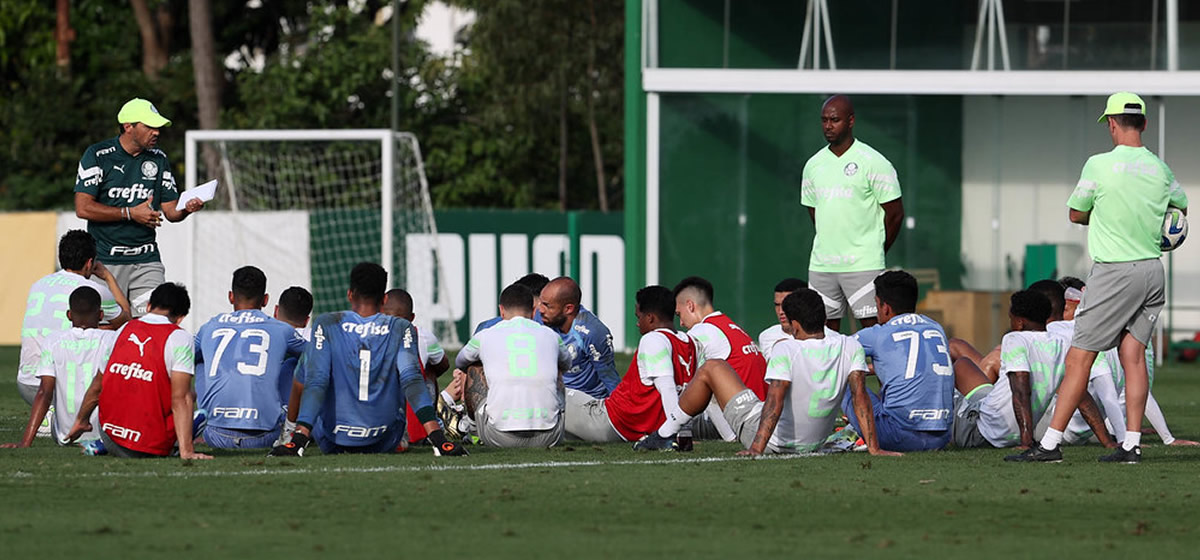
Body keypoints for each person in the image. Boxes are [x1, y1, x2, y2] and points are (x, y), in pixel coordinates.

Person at [1010, 92, 1189, 464]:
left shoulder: (1099, 164)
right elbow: (1180, 207)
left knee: (1079, 358)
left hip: (1114, 271)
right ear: (1144, 123)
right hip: (1153, 271)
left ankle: (1049, 445)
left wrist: (1108, 216)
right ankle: (1131, 445)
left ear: (1111, 124)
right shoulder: (1160, 168)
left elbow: (1076, 213)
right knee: (1133, 355)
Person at [635, 289, 899, 457]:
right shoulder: (850, 345)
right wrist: (874, 448)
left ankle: (665, 433)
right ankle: (671, 434)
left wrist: (756, 448)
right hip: (814, 442)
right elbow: (860, 398)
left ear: (794, 325)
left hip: (774, 441)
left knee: (712, 368)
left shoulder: (786, 348)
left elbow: (775, 399)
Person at [269, 263, 466, 457]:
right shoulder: (401, 327)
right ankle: (417, 435)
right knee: (411, 370)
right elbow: (412, 380)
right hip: (384, 440)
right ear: (385, 298)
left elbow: (317, 380)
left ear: (349, 294)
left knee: (306, 366)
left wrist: (299, 439)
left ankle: (289, 433)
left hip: (332, 441)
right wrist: (439, 439)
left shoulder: (327, 323)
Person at [73, 98, 205, 316]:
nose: (156, 132)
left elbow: (171, 212)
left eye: (157, 127)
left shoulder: (159, 158)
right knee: (108, 328)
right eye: (149, 126)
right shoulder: (97, 155)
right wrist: (129, 213)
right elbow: (83, 208)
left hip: (146, 260)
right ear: (128, 127)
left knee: (156, 322)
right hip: (105, 262)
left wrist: (187, 208)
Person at [952, 291, 1113, 450]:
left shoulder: (1015, 339)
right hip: (1005, 430)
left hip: (977, 432)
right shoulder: (1061, 344)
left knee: (956, 369)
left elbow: (1021, 389)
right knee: (963, 364)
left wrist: (1026, 442)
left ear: (1020, 322)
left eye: (1011, 319)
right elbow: (1081, 396)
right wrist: (1107, 442)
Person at [66, 283, 210, 459]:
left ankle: (101, 444)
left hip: (110, 438)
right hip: (148, 446)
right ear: (180, 317)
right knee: (194, 404)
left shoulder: (122, 330)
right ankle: (178, 448)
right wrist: (187, 452)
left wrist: (81, 421)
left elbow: (98, 385)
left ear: (149, 306)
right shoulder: (180, 337)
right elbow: (180, 398)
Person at [801, 95, 904, 332]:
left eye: (835, 120)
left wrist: (875, 249)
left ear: (851, 121)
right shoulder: (813, 165)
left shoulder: (873, 162)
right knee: (822, 334)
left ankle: (871, 372)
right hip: (822, 265)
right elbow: (814, 210)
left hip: (863, 264)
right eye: (824, 120)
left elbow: (895, 214)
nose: (828, 126)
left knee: (872, 331)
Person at [563, 286, 698, 444]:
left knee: (551, 392)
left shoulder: (653, 340)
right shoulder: (690, 343)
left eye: (638, 317)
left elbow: (667, 388)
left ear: (650, 318)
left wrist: (675, 433)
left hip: (611, 423)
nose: (637, 324)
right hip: (638, 426)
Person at [192, 267, 308, 449]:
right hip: (265, 436)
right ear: (265, 300)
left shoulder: (209, 326)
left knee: (197, 361)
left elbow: (182, 357)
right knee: (295, 362)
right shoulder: (282, 329)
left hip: (215, 434)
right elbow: (316, 355)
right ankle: (290, 425)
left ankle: (199, 418)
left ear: (231, 296)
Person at [841, 270, 955, 452]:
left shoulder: (878, 334)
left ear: (885, 307)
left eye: (876, 305)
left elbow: (835, 351)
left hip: (898, 437)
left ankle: (810, 433)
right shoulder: (936, 327)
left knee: (841, 380)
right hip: (942, 437)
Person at [19, 230, 130, 408]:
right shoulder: (93, 289)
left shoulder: (38, 284)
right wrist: (108, 277)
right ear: (89, 263)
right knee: (115, 338)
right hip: (63, 389)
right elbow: (125, 320)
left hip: (26, 383)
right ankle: (57, 413)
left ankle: (51, 413)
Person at [454, 284, 570, 448]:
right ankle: (556, 417)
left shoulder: (484, 335)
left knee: (474, 366)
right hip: (551, 436)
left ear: (501, 310)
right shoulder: (551, 335)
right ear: (533, 310)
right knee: (557, 369)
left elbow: (460, 362)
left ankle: (471, 430)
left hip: (499, 436)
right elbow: (567, 364)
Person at [3, 287, 118, 448]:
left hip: (64, 435)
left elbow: (44, 391)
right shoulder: (112, 339)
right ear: (100, 315)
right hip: (103, 434)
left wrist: (25, 442)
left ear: (69, 315)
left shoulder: (53, 340)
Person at [674, 276, 767, 400]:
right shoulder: (730, 326)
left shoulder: (702, 331)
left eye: (679, 314)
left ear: (690, 306)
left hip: (742, 414)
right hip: (760, 408)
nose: (681, 323)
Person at [382, 287, 450, 446]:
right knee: (428, 371)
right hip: (410, 413)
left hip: (372, 416)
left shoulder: (368, 335)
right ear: (411, 318)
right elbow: (443, 365)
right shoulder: (423, 336)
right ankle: (429, 426)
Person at [539, 277, 620, 398]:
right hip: (554, 398)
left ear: (568, 309)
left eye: (547, 306)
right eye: (541, 303)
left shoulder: (592, 332)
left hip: (587, 403)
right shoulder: (540, 320)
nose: (540, 310)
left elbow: (609, 378)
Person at [275, 286, 314, 444]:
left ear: (276, 311)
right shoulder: (317, 338)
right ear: (306, 321)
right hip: (312, 425)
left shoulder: (266, 333)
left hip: (267, 422)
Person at [474, 273, 550, 334]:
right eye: (545, 304)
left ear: (502, 310)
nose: (542, 311)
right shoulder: (550, 331)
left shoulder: (486, 328)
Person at [757, 278, 808, 360]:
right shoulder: (767, 336)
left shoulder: (827, 337)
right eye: (777, 305)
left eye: (786, 305)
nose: (781, 311)